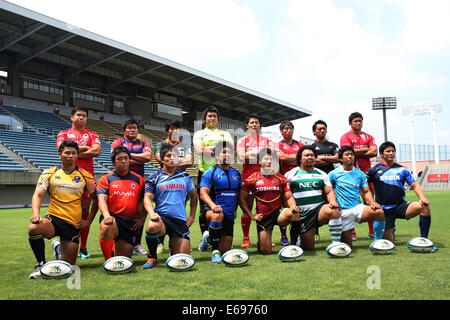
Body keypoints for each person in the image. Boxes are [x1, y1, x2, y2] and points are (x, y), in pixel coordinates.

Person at [27, 139, 96, 278]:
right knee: (34, 228)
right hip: (53, 219)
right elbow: (38, 194)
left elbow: (97, 199)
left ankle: (58, 249)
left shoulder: (86, 176)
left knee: (66, 268)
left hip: (73, 224)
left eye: (74, 153)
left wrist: (88, 221)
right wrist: (36, 214)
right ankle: (40, 264)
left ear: (77, 156)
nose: (70, 156)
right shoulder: (49, 173)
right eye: (67, 153)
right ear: (60, 155)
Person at [366, 141, 436, 250]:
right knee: (388, 243)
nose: (391, 153)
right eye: (388, 151)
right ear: (381, 154)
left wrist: (422, 198)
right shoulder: (373, 170)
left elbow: (415, 185)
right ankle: (390, 230)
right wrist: (371, 202)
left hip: (400, 206)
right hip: (383, 210)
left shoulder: (402, 169)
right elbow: (364, 188)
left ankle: (424, 240)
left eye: (393, 151)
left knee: (424, 207)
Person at [142, 144, 198, 269]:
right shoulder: (154, 178)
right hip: (162, 219)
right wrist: (151, 213)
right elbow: (147, 198)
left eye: (175, 156)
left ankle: (173, 244)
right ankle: (152, 257)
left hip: (180, 221)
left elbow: (194, 196)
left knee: (184, 260)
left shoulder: (185, 177)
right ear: (162, 159)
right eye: (169, 156)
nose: (172, 158)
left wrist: (192, 216)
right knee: (152, 225)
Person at [56, 107, 101, 259]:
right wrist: (85, 148)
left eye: (84, 116)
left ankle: (83, 247)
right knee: (64, 211)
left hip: (87, 177)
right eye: (78, 115)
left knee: (84, 211)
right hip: (67, 177)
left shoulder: (92, 134)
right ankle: (64, 243)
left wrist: (74, 149)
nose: (81, 118)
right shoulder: (63, 133)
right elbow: (60, 148)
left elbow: (96, 151)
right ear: (72, 117)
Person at [239, 148, 301, 254]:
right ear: (259, 162)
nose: (268, 162)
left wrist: (293, 206)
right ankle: (261, 243)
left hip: (278, 214)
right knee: (265, 251)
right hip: (263, 216)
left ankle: (294, 246)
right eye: (265, 159)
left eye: (270, 159)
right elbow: (241, 198)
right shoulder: (252, 179)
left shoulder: (281, 178)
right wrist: (251, 215)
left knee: (294, 212)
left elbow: (289, 197)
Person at [284, 145, 341, 251]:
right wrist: (292, 206)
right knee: (308, 248)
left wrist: (332, 201)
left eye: (312, 155)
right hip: (302, 214)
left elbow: (329, 191)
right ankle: (297, 238)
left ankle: (336, 244)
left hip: (318, 211)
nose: (309, 157)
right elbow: (288, 195)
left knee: (333, 210)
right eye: (306, 155)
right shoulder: (290, 174)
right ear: (300, 159)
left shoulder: (322, 174)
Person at [193, 105, 233, 251]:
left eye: (214, 116)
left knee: (221, 207)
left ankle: (216, 235)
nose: (212, 118)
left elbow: (229, 149)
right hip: (205, 173)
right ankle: (206, 236)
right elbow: (199, 150)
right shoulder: (199, 133)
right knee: (204, 207)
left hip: (222, 174)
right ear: (205, 119)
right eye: (209, 116)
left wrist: (209, 149)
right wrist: (217, 149)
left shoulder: (224, 133)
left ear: (217, 119)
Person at [96, 146, 146, 261]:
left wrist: (142, 218)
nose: (123, 161)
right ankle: (107, 261)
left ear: (130, 160)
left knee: (123, 260)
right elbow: (101, 199)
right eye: (119, 159)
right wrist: (107, 216)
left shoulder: (139, 179)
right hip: (113, 218)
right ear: (114, 162)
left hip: (129, 223)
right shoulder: (105, 179)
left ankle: (113, 250)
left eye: (126, 158)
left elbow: (145, 200)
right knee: (107, 226)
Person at [328, 146, 385, 247]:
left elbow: (366, 191)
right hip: (342, 211)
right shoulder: (333, 174)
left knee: (379, 212)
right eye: (347, 155)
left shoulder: (360, 173)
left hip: (357, 208)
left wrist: (372, 203)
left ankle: (378, 242)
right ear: (341, 159)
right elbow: (327, 191)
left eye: (352, 154)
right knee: (347, 246)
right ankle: (337, 242)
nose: (350, 156)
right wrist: (332, 203)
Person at [110, 119, 152, 256]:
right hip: (122, 181)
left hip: (138, 181)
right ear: (124, 131)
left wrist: (127, 156)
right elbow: (115, 156)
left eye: (134, 128)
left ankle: (137, 244)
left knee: (140, 212)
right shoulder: (118, 142)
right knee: (120, 211)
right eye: (129, 128)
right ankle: (116, 242)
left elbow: (148, 157)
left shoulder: (144, 143)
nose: (132, 130)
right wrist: (137, 159)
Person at [199, 141, 242, 262]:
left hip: (229, 216)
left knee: (226, 254)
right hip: (212, 213)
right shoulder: (210, 173)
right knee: (218, 215)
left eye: (229, 152)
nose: (227, 155)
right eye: (224, 152)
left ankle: (208, 238)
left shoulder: (237, 174)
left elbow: (238, 195)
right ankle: (214, 251)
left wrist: (235, 210)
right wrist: (213, 206)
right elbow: (203, 193)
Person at [236, 114, 274, 248]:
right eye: (251, 123)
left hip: (265, 177)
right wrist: (261, 153)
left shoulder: (265, 139)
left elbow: (272, 154)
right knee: (247, 209)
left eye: (256, 123)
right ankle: (246, 238)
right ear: (247, 125)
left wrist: (251, 154)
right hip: (248, 178)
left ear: (259, 125)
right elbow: (241, 157)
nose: (254, 125)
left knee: (265, 208)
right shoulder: (242, 141)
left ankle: (265, 236)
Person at [340, 112, 377, 240]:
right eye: (355, 121)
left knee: (370, 201)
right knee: (350, 202)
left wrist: (356, 151)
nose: (358, 123)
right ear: (350, 123)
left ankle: (372, 231)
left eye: (360, 120)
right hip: (351, 174)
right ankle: (352, 231)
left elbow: (374, 151)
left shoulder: (368, 136)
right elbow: (346, 152)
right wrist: (365, 150)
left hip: (367, 174)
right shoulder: (345, 137)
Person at [310, 120, 340, 244]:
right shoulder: (311, 147)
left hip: (331, 180)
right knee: (315, 206)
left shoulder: (332, 145)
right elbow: (313, 161)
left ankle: (336, 235)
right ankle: (315, 232)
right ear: (314, 131)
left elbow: (338, 158)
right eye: (319, 129)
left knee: (333, 205)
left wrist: (320, 158)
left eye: (324, 128)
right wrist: (329, 159)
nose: (322, 131)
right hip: (316, 180)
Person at [277, 120, 304, 246]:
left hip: (299, 178)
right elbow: (282, 158)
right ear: (281, 131)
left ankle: (298, 234)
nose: (288, 130)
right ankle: (283, 236)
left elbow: (303, 159)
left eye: (290, 128)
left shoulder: (300, 144)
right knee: (284, 206)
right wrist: (297, 158)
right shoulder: (277, 145)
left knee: (298, 205)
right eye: (285, 128)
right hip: (284, 180)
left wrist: (290, 158)